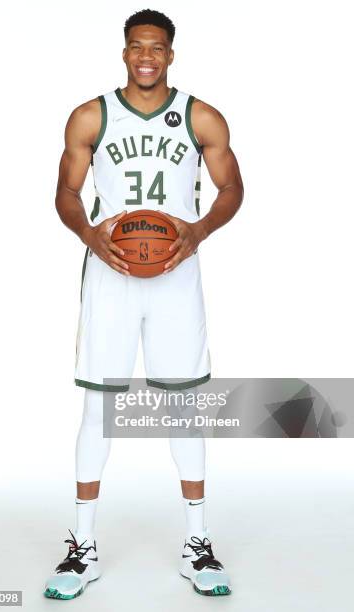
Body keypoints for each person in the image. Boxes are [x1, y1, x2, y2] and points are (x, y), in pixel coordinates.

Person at [44, 8, 243, 600]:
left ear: (171, 54)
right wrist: (90, 236)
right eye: (137, 46)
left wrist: (200, 230)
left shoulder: (200, 116)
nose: (147, 56)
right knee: (99, 409)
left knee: (182, 407)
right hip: (110, 274)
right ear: (125, 53)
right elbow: (66, 191)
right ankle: (82, 547)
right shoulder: (91, 116)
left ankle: (197, 543)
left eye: (156, 47)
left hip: (176, 273)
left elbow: (232, 187)